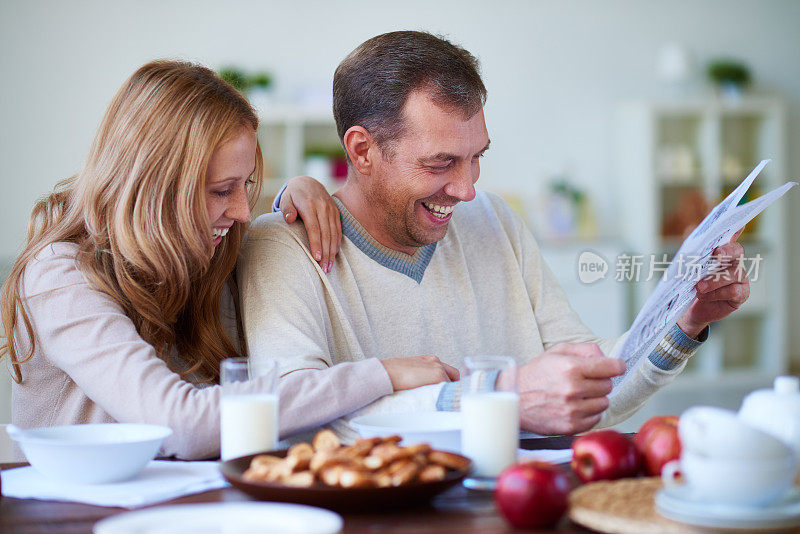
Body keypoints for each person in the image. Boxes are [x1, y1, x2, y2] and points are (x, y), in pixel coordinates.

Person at [238, 31, 750, 442]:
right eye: (440, 163)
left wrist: (684, 321)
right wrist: (503, 397)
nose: (466, 189)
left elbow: (591, 385)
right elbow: (298, 415)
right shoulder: (283, 248)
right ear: (363, 150)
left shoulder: (494, 219)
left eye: (476, 156)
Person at [0, 59, 454, 459]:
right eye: (221, 190)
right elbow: (181, 424)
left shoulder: (205, 257)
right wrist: (379, 375)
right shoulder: (58, 276)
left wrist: (293, 196)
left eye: (246, 185)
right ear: (154, 188)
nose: (241, 212)